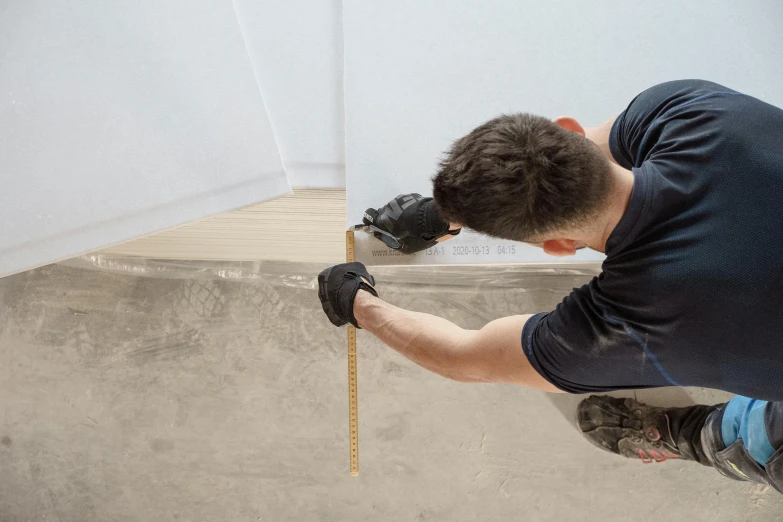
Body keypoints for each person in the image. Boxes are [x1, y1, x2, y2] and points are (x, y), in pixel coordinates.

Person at [317, 80, 783, 491]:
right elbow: (588, 156)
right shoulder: (687, 110)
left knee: (760, 441)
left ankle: (699, 436)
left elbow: (463, 357)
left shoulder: (622, 327)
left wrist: (355, 301)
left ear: (560, 245)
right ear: (568, 126)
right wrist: (449, 211)